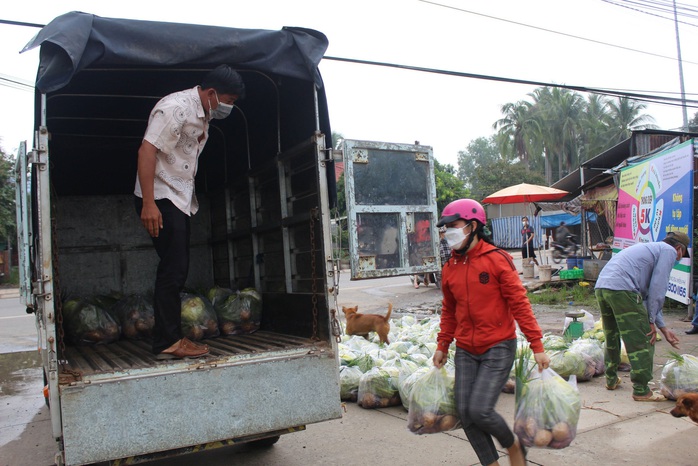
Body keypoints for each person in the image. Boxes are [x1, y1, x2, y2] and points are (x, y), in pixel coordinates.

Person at [134, 65, 245, 359]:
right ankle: (166, 342)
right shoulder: (177, 108)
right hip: (161, 196)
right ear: (211, 94)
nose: (229, 107)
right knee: (173, 269)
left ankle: (169, 339)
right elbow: (146, 151)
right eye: (229, 101)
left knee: (177, 268)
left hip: (177, 197)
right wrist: (149, 203)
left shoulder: (203, 114)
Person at [433, 199, 550, 466]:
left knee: (480, 410)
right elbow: (449, 311)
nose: (448, 232)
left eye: (453, 226)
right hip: (465, 349)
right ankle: (491, 463)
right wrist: (442, 344)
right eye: (445, 228)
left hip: (498, 345)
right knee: (465, 412)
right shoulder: (450, 268)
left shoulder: (497, 260)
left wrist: (537, 344)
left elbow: (519, 303)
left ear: (473, 226)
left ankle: (513, 446)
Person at [594, 231, 686, 401]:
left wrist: (663, 327)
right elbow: (658, 289)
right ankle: (641, 390)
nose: (679, 258)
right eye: (682, 254)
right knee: (643, 338)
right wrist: (650, 322)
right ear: (679, 248)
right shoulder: (669, 251)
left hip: (603, 286)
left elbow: (649, 296)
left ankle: (611, 379)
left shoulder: (651, 248)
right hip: (622, 289)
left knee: (612, 335)